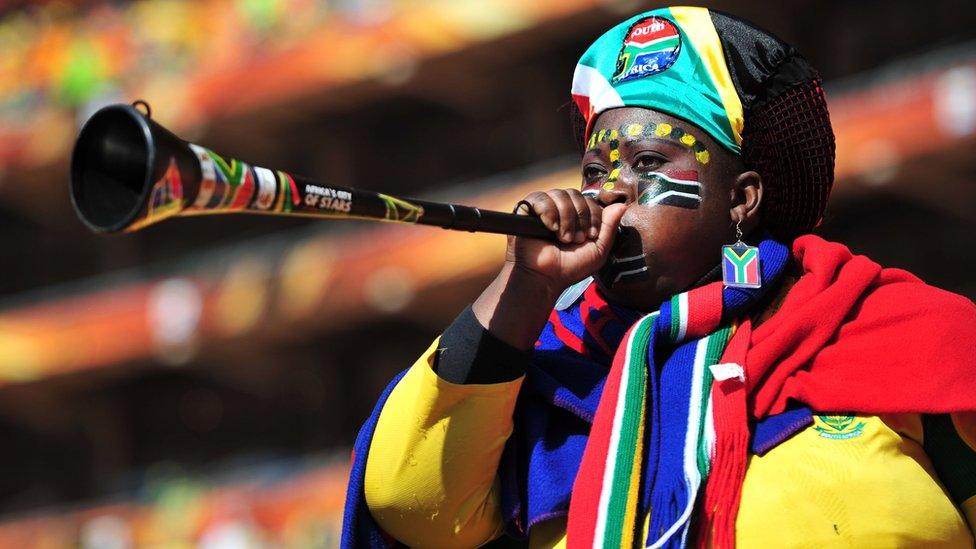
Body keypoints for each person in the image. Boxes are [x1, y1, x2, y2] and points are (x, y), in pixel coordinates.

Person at [341, 7, 976, 548]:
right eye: (595, 171)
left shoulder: (887, 326)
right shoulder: (551, 371)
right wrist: (525, 285)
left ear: (742, 199)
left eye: (648, 162)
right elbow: (409, 499)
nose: (609, 194)